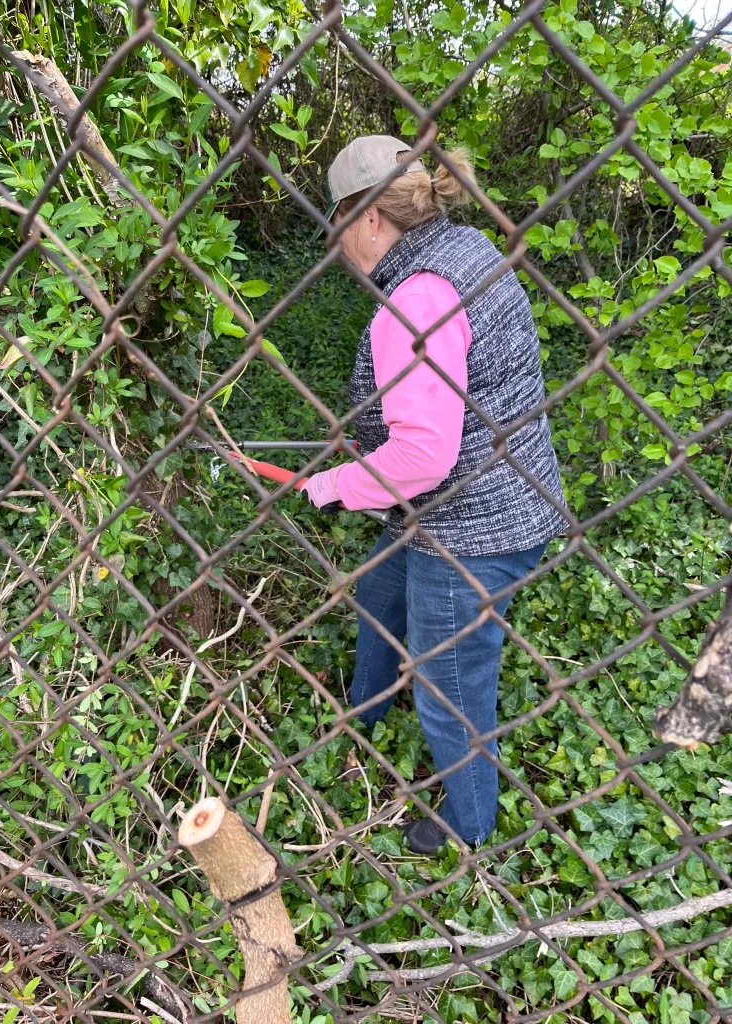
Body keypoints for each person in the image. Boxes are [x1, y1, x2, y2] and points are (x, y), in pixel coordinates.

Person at [302, 136, 567, 855]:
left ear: (370, 219)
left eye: (337, 225)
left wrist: (335, 486)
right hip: (498, 496)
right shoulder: (468, 249)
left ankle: (470, 822)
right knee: (382, 593)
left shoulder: (415, 299)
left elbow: (421, 454)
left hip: (472, 529)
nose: (338, 245)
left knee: (450, 682)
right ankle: (365, 711)